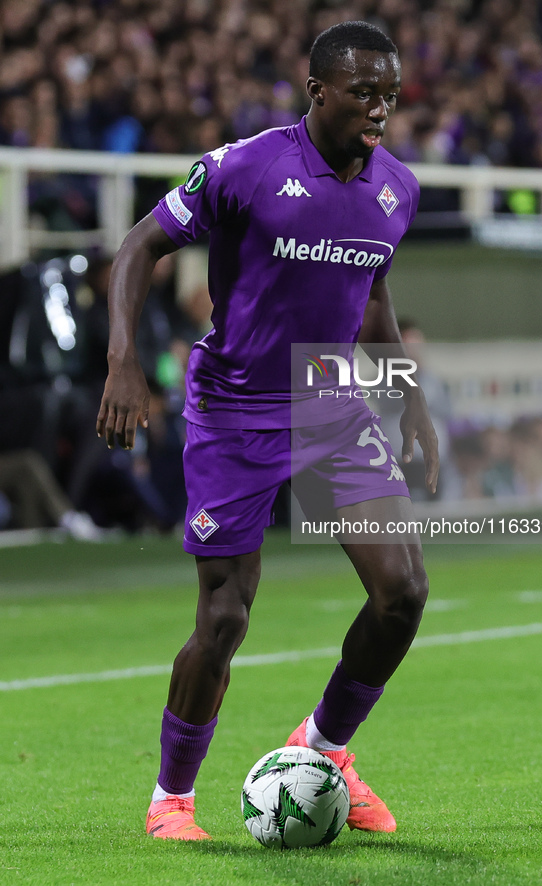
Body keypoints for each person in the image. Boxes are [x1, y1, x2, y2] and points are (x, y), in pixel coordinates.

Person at [97, 21, 439, 841]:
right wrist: (121, 361)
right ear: (318, 90)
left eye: (390, 94)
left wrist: (409, 399)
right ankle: (170, 800)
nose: (380, 110)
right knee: (223, 619)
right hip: (235, 409)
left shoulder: (397, 187)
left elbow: (374, 295)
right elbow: (140, 246)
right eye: (364, 92)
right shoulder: (245, 166)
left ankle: (323, 748)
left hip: (326, 401)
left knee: (404, 593)